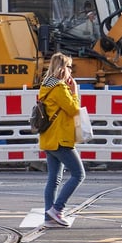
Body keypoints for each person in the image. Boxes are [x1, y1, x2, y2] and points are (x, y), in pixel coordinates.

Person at [39, 52, 85, 228]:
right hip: (60, 140)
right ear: (61, 67)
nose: (71, 70)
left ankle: (48, 217)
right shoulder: (59, 88)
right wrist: (74, 92)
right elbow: (74, 109)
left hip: (48, 139)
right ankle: (57, 209)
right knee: (79, 174)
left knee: (54, 179)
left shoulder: (45, 85)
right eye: (69, 66)